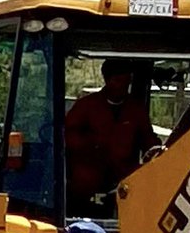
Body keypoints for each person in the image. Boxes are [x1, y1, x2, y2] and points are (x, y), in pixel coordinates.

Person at [63, 59, 156, 215]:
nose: (123, 86)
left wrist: (158, 154)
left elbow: (148, 141)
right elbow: (67, 136)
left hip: (125, 185)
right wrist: (92, 146)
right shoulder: (86, 106)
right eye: (119, 80)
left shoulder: (135, 110)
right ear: (107, 80)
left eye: (127, 81)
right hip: (85, 186)